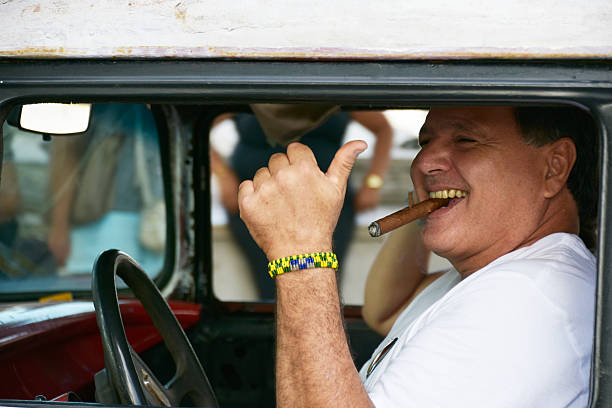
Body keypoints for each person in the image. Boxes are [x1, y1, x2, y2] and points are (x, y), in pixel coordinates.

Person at [237, 106, 598, 406]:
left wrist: (302, 252)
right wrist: (431, 205)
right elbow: (385, 310)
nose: (424, 161)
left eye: (466, 140)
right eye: (425, 142)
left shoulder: (523, 298)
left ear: (554, 167)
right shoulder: (497, 273)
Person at [211, 110, 392, 299]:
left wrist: (373, 183)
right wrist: (223, 176)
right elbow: (195, 124)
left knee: (322, 284)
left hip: (327, 208)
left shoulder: (338, 85)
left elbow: (383, 129)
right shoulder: (251, 83)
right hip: (258, 205)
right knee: (270, 287)